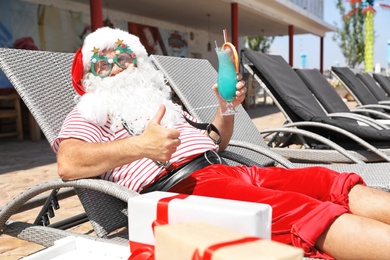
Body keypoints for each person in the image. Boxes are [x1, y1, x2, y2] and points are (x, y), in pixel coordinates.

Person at [53, 27, 390, 259]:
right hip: (183, 189)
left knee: (330, 181)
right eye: (102, 62)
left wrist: (226, 108)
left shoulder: (157, 102)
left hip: (230, 169)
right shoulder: (92, 110)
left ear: (138, 62)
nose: (114, 68)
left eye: (123, 58)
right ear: (89, 79)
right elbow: (68, 163)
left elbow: (215, 140)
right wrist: (139, 147)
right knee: (305, 212)